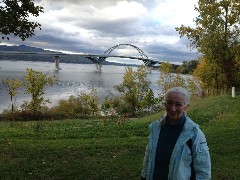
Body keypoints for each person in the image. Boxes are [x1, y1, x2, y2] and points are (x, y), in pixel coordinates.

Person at [141, 87, 211, 180]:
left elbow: (203, 169)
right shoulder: (156, 128)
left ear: (186, 106)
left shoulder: (194, 133)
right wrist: (144, 176)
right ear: (165, 103)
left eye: (178, 104)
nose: (172, 108)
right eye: (169, 103)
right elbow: (149, 156)